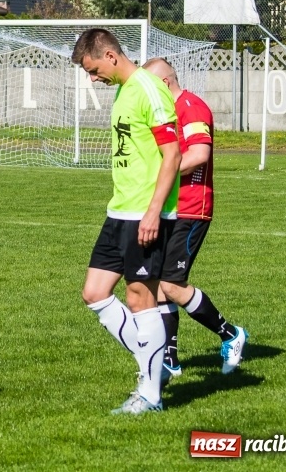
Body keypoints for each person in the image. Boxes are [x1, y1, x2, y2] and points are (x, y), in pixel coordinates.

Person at [71, 29, 181, 415]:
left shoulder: (149, 89)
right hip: (118, 211)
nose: (93, 78)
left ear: (111, 56)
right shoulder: (122, 91)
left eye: (94, 69)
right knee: (94, 292)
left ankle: (150, 393)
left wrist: (154, 211)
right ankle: (154, 364)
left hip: (144, 214)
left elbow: (172, 154)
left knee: (139, 299)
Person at [142, 58, 248, 383]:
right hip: (170, 208)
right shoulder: (166, 114)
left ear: (163, 83)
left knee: (172, 284)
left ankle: (230, 334)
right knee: (158, 282)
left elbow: (200, 154)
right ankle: (170, 359)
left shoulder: (192, 107)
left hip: (192, 208)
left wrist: (161, 174)